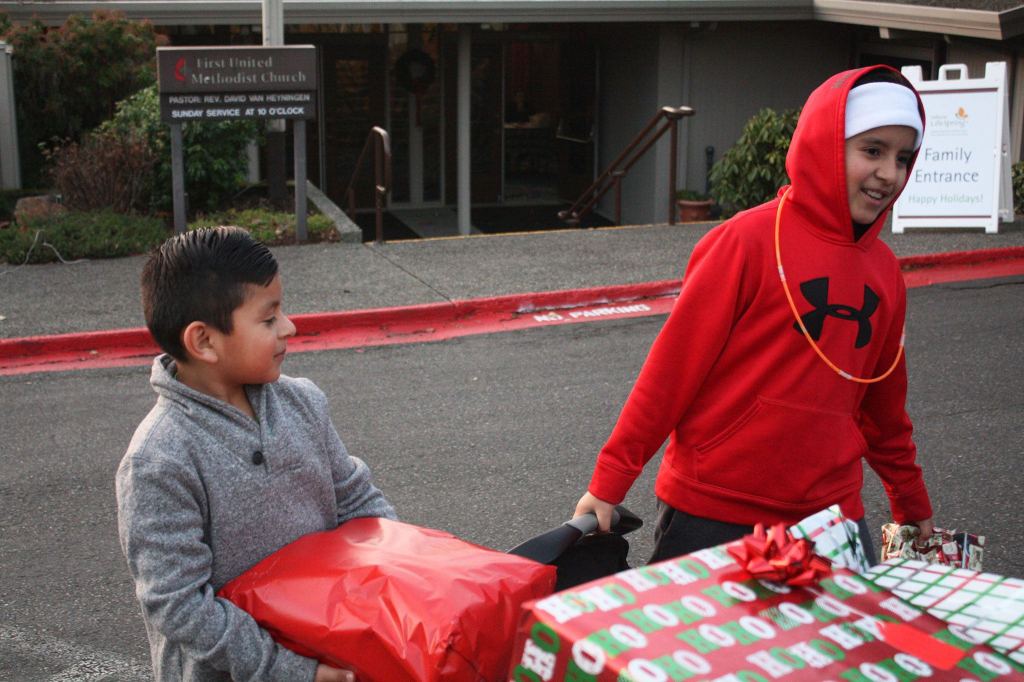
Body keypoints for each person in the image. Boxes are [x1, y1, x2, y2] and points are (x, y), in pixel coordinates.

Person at [574, 65, 935, 563]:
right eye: (871, 150)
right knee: (699, 645)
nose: (889, 173)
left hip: (831, 517)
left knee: (848, 643)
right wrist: (610, 481)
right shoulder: (745, 242)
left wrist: (910, 500)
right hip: (713, 509)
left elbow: (884, 409)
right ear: (825, 145)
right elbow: (670, 374)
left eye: (902, 157)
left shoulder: (886, 273)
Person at [116, 226, 395, 682]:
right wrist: (292, 671)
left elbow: (358, 500)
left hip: (336, 644)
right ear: (204, 341)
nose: (290, 327)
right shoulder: (159, 460)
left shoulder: (303, 402)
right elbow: (180, 604)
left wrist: (392, 587)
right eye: (268, 320)